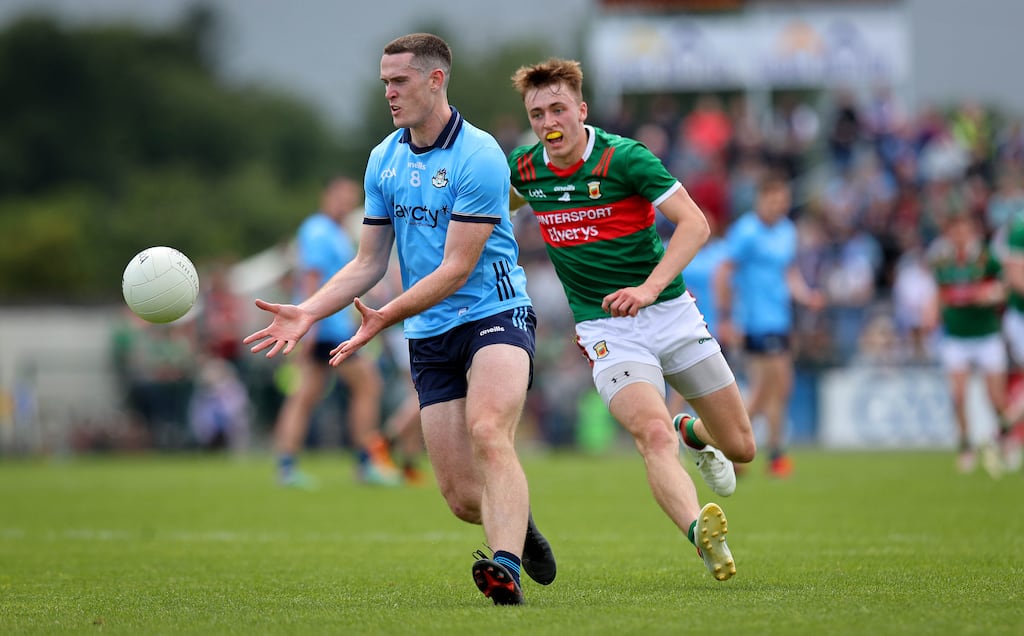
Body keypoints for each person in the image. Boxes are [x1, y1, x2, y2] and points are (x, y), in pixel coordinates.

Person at [244, 33, 555, 606]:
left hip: (495, 312)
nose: (388, 92)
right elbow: (367, 262)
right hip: (430, 331)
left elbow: (458, 268)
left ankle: (505, 565)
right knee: (463, 498)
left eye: (399, 81)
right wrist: (308, 312)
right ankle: (521, 525)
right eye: (384, 81)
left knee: (489, 429)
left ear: (436, 80)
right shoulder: (383, 159)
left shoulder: (481, 155)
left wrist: (384, 316)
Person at [508, 58, 755, 583]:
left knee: (740, 447)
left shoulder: (625, 158)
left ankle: (694, 430)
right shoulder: (525, 169)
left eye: (557, 109)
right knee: (651, 433)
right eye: (536, 113)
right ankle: (701, 534)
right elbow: (488, 215)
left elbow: (695, 224)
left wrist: (647, 288)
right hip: (606, 330)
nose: (548, 122)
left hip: (670, 313)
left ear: (581, 110)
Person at [270, 176, 399, 489]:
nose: (346, 203)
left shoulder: (336, 232)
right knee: (368, 385)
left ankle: (287, 466)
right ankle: (365, 463)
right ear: (326, 195)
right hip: (326, 327)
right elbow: (312, 276)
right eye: (341, 196)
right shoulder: (318, 229)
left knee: (304, 396)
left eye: (351, 198)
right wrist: (309, 325)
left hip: (328, 325)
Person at [714, 173, 826, 478]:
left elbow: (788, 273)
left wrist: (806, 295)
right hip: (754, 320)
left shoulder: (787, 232)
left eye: (783, 201)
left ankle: (763, 453)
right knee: (769, 387)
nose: (778, 206)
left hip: (780, 319)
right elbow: (724, 272)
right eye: (773, 200)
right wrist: (725, 317)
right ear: (760, 200)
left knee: (779, 389)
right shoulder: (746, 231)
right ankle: (732, 445)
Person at [924, 211, 1009, 476]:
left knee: (995, 398)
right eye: (955, 230)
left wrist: (992, 295)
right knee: (958, 396)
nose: (960, 235)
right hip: (956, 336)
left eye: (964, 230)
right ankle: (965, 447)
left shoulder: (987, 257)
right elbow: (939, 293)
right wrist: (931, 313)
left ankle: (1004, 440)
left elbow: (1004, 286)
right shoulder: (942, 260)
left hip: (986, 334)